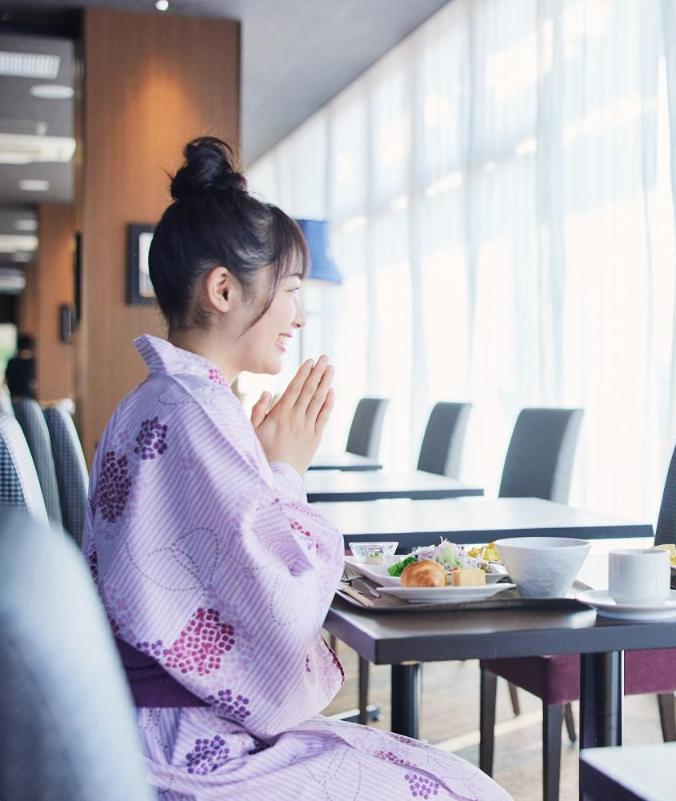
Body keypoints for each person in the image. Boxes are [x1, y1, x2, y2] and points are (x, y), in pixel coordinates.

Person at [82, 137, 510, 800]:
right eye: (290, 291)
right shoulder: (195, 411)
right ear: (223, 289)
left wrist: (263, 467)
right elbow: (281, 611)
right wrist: (285, 474)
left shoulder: (166, 398)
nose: (300, 316)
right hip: (185, 746)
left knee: (447, 777)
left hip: (146, 723)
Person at [5, 332, 37, 399]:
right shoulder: (31, 363)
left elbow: (7, 381)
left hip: (13, 398)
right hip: (27, 398)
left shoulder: (11, 362)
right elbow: (33, 384)